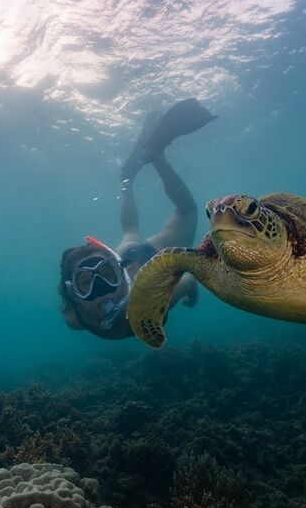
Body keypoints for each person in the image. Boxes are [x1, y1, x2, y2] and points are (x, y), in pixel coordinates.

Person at [58, 98, 217, 339]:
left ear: (119, 270)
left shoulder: (153, 299)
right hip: (127, 260)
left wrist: (191, 296)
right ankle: (127, 178)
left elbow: (189, 281)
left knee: (186, 211)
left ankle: (153, 158)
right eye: (85, 283)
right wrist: (190, 293)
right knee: (131, 232)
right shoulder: (74, 319)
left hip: (143, 262)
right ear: (75, 297)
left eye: (108, 274)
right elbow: (188, 280)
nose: (102, 291)